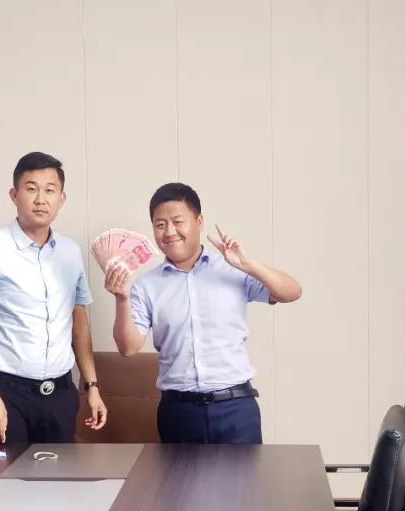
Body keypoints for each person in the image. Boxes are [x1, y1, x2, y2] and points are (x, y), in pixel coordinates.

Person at [104, 182, 301, 444]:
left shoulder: (233, 270)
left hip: (236, 408)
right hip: (179, 412)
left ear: (199, 222)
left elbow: (291, 292)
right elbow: (128, 348)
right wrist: (122, 299)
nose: (169, 232)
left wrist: (247, 264)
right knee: (178, 475)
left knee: (246, 474)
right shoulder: (145, 286)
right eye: (160, 224)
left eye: (178, 222)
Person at [0, 152, 107, 447]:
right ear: (14, 195)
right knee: (5, 475)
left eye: (50, 190)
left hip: (61, 393)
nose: (41, 199)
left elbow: (79, 325)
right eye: (31, 189)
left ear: (61, 199)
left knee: (61, 474)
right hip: (8, 392)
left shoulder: (70, 252)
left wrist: (92, 386)